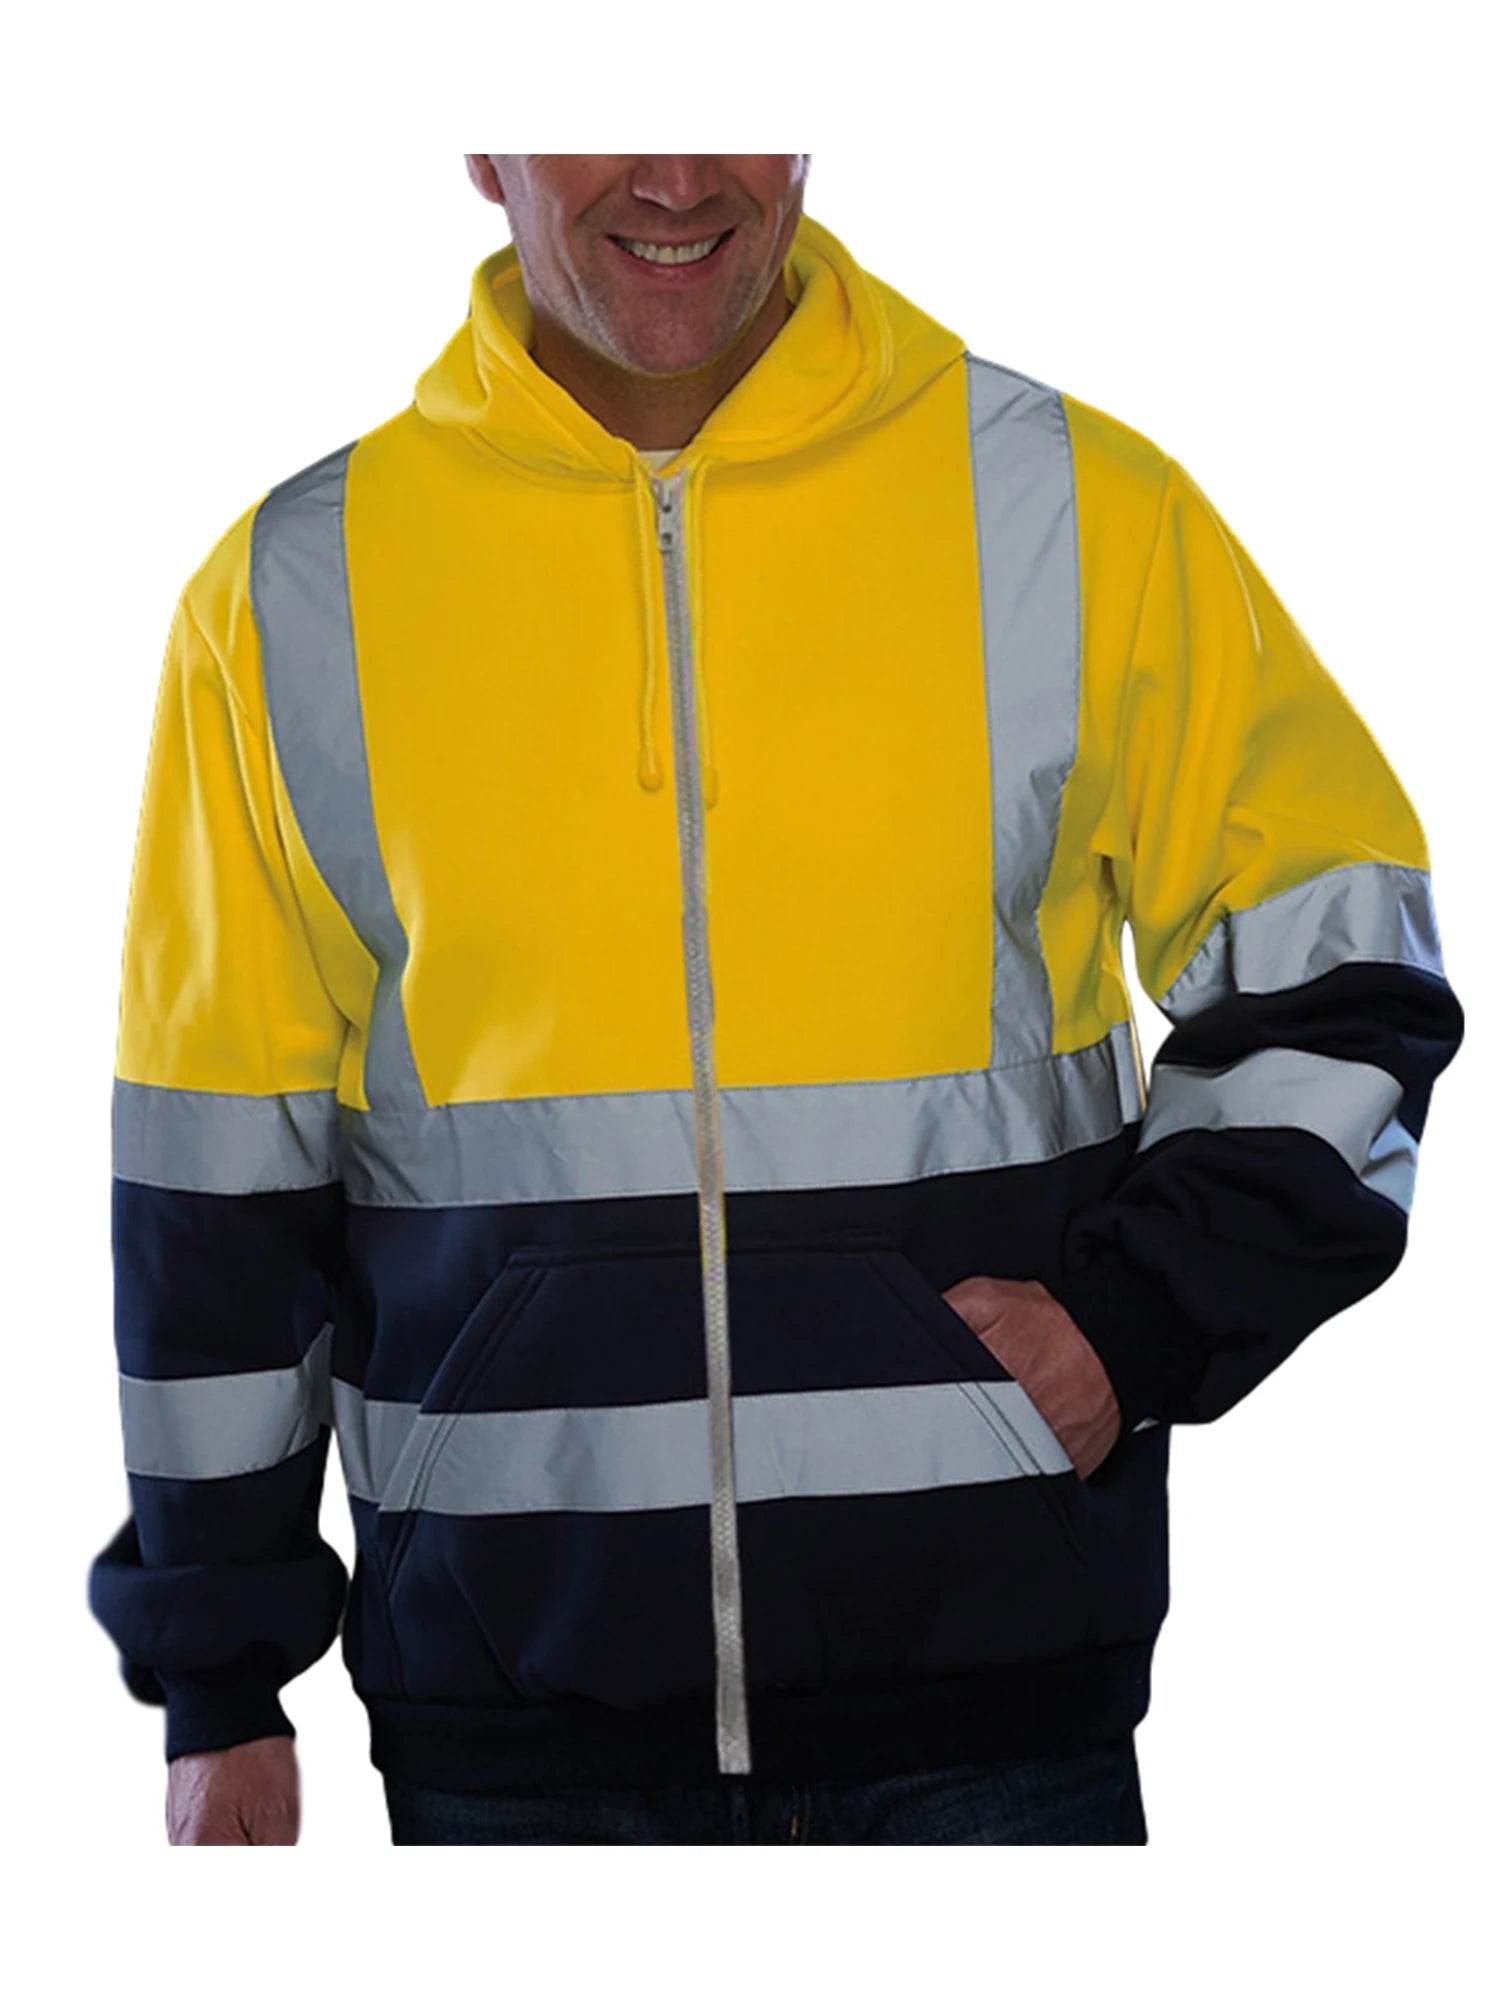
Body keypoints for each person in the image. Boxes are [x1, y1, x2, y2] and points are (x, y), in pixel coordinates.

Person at [87, 154, 1464, 1846]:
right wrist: (219, 1682)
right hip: (513, 1734)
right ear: (484, 142)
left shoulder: (1069, 510)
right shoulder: (292, 593)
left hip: (993, 1720)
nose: (676, 171)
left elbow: (1344, 968)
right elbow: (216, 1172)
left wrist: (1137, 1320)